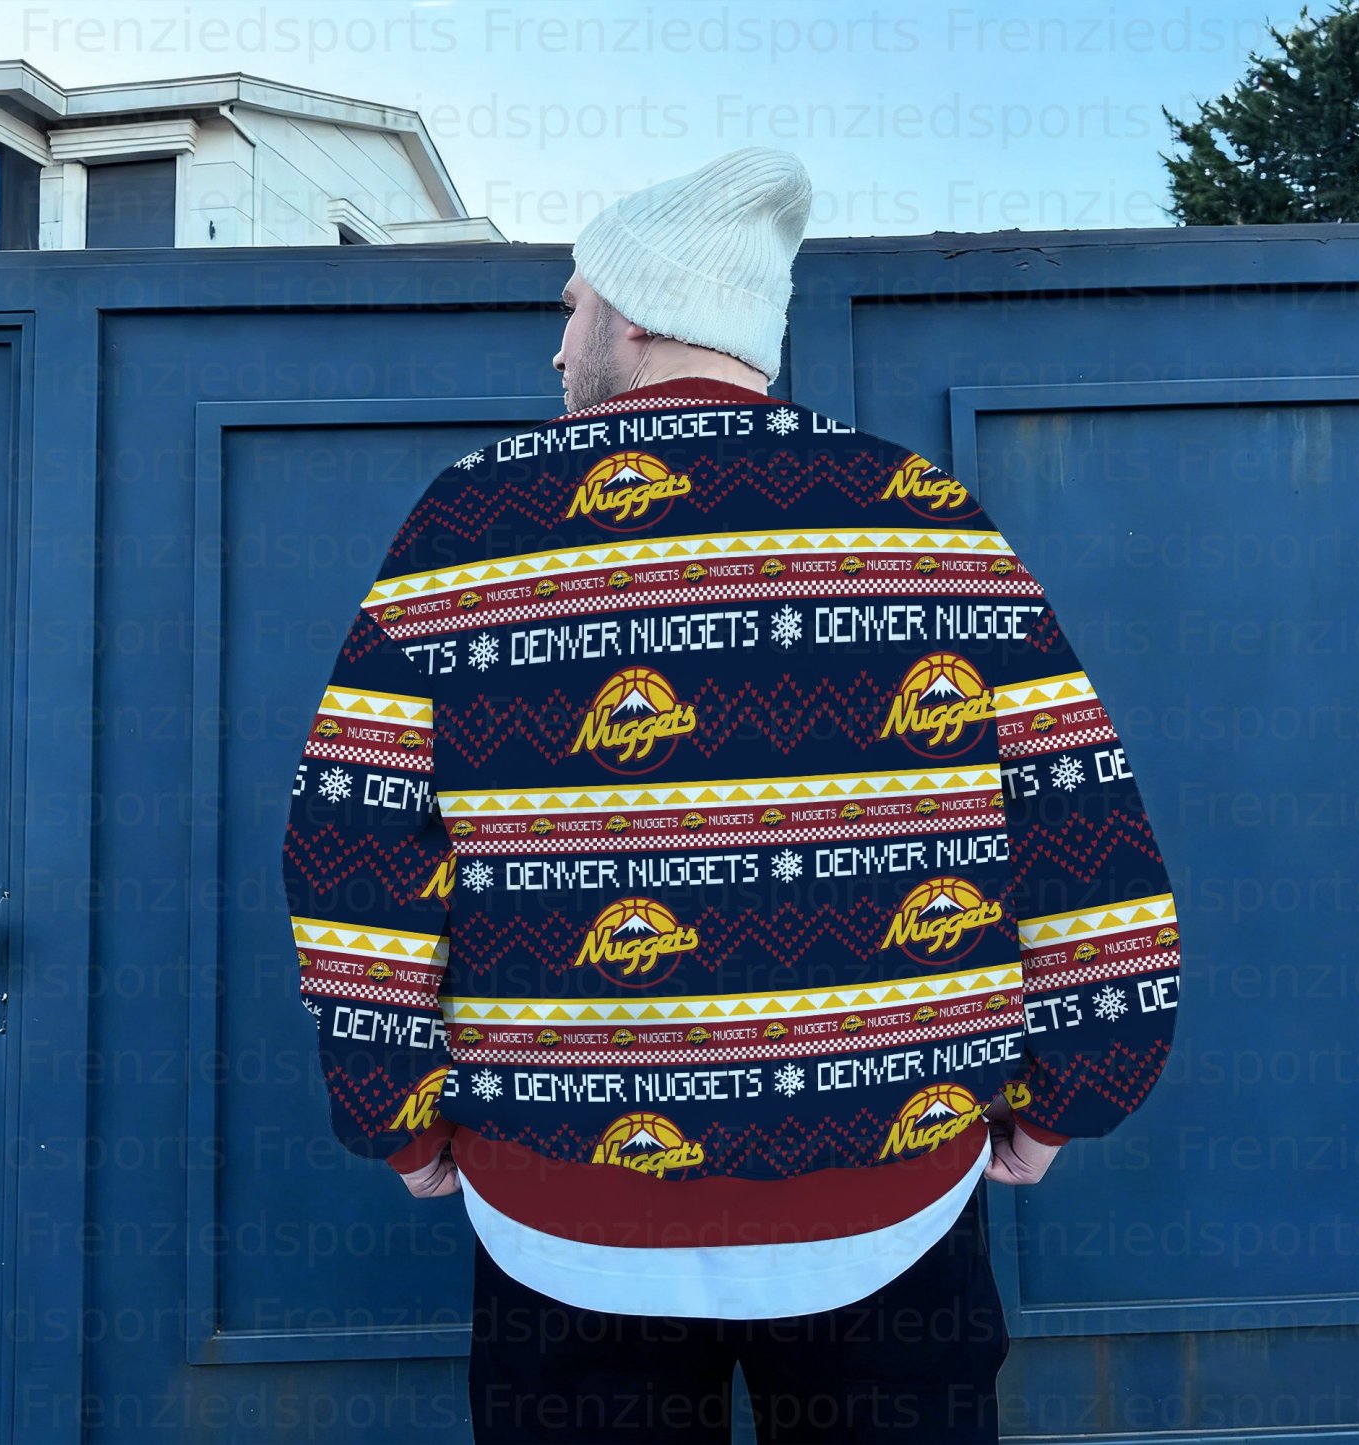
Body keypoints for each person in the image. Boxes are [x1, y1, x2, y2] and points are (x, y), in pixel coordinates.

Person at [281, 147, 1181, 1444]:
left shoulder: (468, 525)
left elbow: (355, 843)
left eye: (572, 308)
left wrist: (396, 1117)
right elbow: (1077, 820)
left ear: (639, 313)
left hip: (565, 1219)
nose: (557, 346)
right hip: (890, 1197)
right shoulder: (923, 519)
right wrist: (1070, 1094)